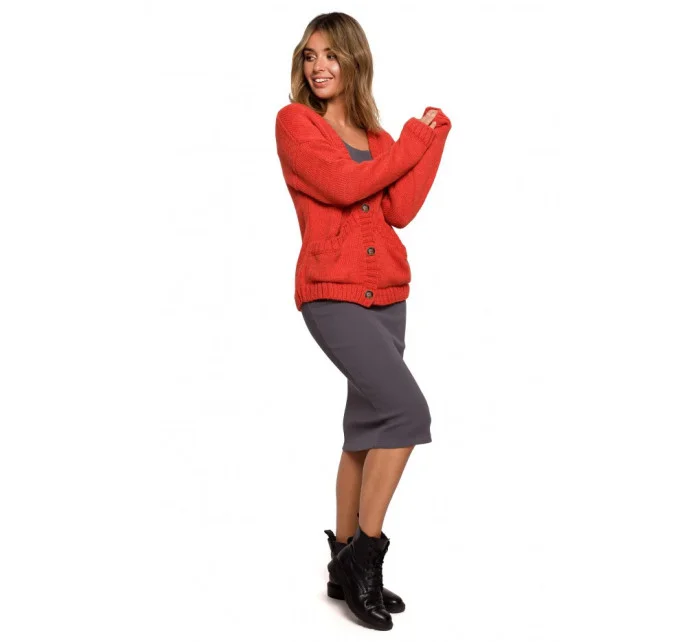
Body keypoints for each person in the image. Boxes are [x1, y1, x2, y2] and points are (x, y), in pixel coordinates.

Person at [274, 11, 451, 631]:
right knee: (407, 414)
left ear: (354, 60)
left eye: (330, 55)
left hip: (388, 293)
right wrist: (412, 143)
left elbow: (399, 206)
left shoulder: (377, 136)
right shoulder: (297, 123)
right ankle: (364, 559)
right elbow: (345, 187)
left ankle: (339, 563)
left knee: (368, 428)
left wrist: (430, 140)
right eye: (309, 55)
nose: (318, 66)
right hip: (333, 293)